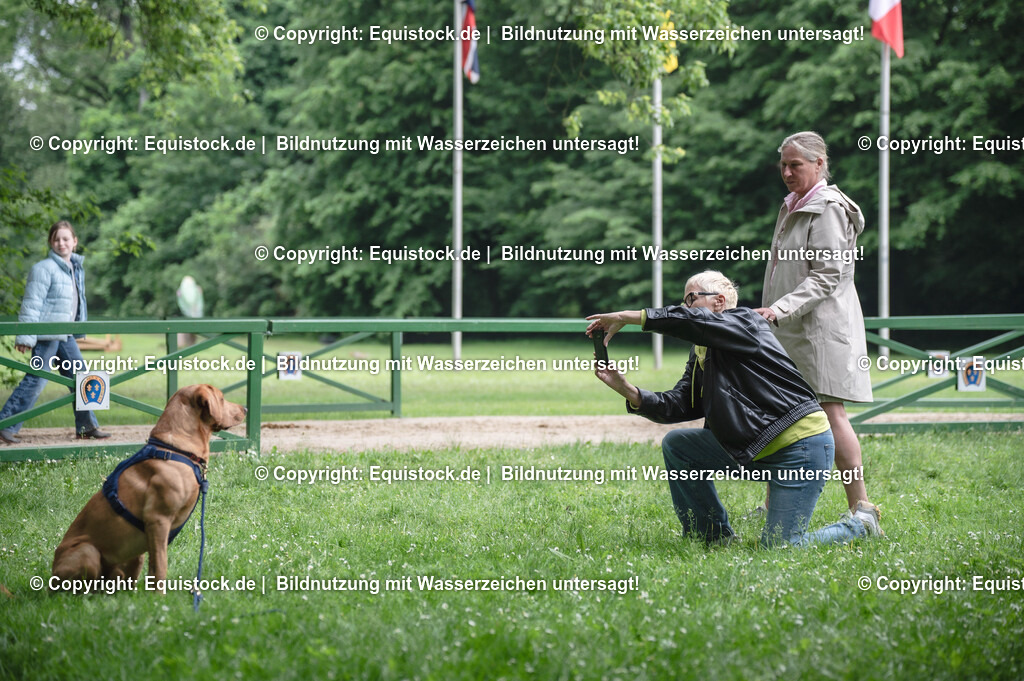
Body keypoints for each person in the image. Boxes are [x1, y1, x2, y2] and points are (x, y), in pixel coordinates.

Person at [586, 270, 881, 548]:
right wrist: (629, 391)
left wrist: (628, 317)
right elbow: (681, 403)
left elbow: (689, 322)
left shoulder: (747, 322)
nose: (684, 307)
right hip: (756, 448)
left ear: (719, 301)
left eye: (691, 299)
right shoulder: (702, 349)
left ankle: (861, 525)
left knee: (781, 547)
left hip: (799, 449)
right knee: (679, 445)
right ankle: (713, 536)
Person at [753, 131, 876, 517]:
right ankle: (773, 505)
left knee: (831, 413)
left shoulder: (827, 209)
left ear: (819, 164)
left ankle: (861, 508)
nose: (787, 172)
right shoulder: (794, 204)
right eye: (783, 165)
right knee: (782, 414)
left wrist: (778, 310)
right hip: (791, 329)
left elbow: (826, 275)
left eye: (796, 165)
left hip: (819, 331)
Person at [0, 221, 110, 444]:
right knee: (37, 380)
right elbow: (31, 304)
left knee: (83, 377)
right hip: (47, 335)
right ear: (51, 242)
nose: (61, 243)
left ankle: (87, 426)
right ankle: (5, 424)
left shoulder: (75, 268)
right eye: (57, 239)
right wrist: (26, 336)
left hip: (65, 334)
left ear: (75, 242)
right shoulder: (43, 268)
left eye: (66, 239)